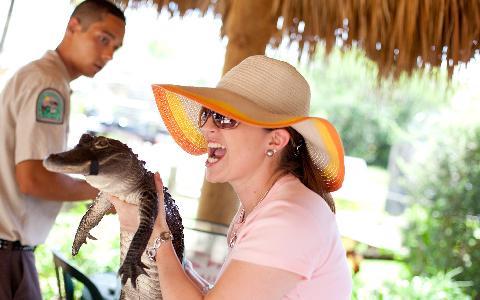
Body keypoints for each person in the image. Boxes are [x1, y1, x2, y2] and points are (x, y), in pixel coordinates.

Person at [110, 55, 352, 299]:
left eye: (225, 118)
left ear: (275, 140)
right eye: (207, 114)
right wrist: (145, 226)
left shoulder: (289, 217)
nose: (206, 128)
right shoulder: (267, 205)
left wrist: (159, 236)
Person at [0, 1, 125, 298]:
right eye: (103, 39)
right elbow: (33, 178)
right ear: (73, 26)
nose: (108, 55)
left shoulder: (42, 76)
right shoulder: (49, 84)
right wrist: (104, 192)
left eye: (115, 48)